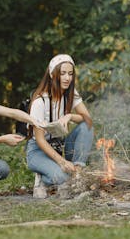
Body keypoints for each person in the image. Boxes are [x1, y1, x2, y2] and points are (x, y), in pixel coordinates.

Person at [26, 54, 94, 198]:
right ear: (52, 74)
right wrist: (62, 162)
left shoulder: (70, 93)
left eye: (70, 74)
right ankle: (42, 177)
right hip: (38, 151)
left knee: (87, 127)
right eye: (62, 73)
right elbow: (40, 140)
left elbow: (88, 119)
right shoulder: (40, 102)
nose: (67, 78)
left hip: (59, 146)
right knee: (62, 177)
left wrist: (69, 116)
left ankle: (78, 171)